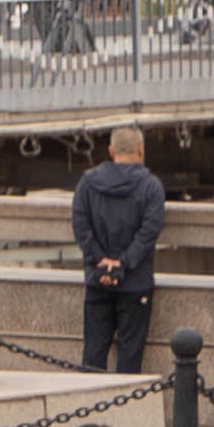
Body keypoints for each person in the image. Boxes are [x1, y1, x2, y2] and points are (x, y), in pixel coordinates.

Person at [70, 125, 164, 374]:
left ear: (111, 151)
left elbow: (81, 226)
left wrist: (100, 261)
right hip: (135, 284)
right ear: (141, 150)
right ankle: (125, 413)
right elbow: (149, 232)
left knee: (92, 357)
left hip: (97, 279)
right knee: (130, 361)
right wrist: (123, 264)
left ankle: (88, 411)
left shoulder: (88, 183)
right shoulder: (151, 187)